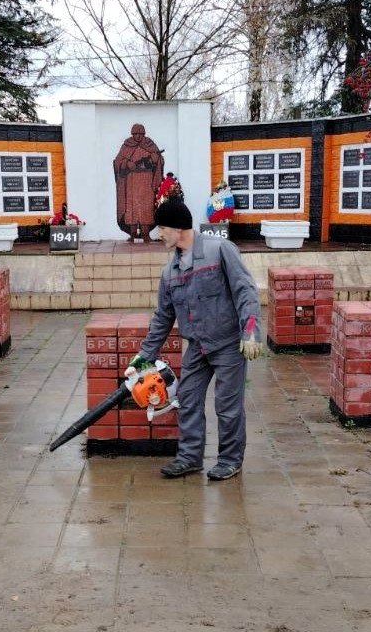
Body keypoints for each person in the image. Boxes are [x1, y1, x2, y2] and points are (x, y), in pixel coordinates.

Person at [124, 194, 262, 480]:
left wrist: (250, 331)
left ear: (179, 228)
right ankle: (189, 457)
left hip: (227, 344)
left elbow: (245, 291)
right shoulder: (169, 272)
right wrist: (143, 357)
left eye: (162, 228)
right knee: (187, 399)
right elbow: (163, 317)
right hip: (198, 347)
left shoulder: (220, 250)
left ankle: (230, 460)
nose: (158, 234)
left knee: (227, 405)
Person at [112, 124, 164, 242]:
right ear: (132, 134)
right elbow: (117, 162)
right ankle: (132, 233)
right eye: (135, 134)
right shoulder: (127, 145)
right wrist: (126, 163)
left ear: (144, 134)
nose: (138, 137)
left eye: (140, 134)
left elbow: (159, 160)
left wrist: (156, 159)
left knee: (146, 207)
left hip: (147, 180)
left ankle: (146, 234)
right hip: (131, 180)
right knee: (132, 207)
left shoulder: (150, 144)